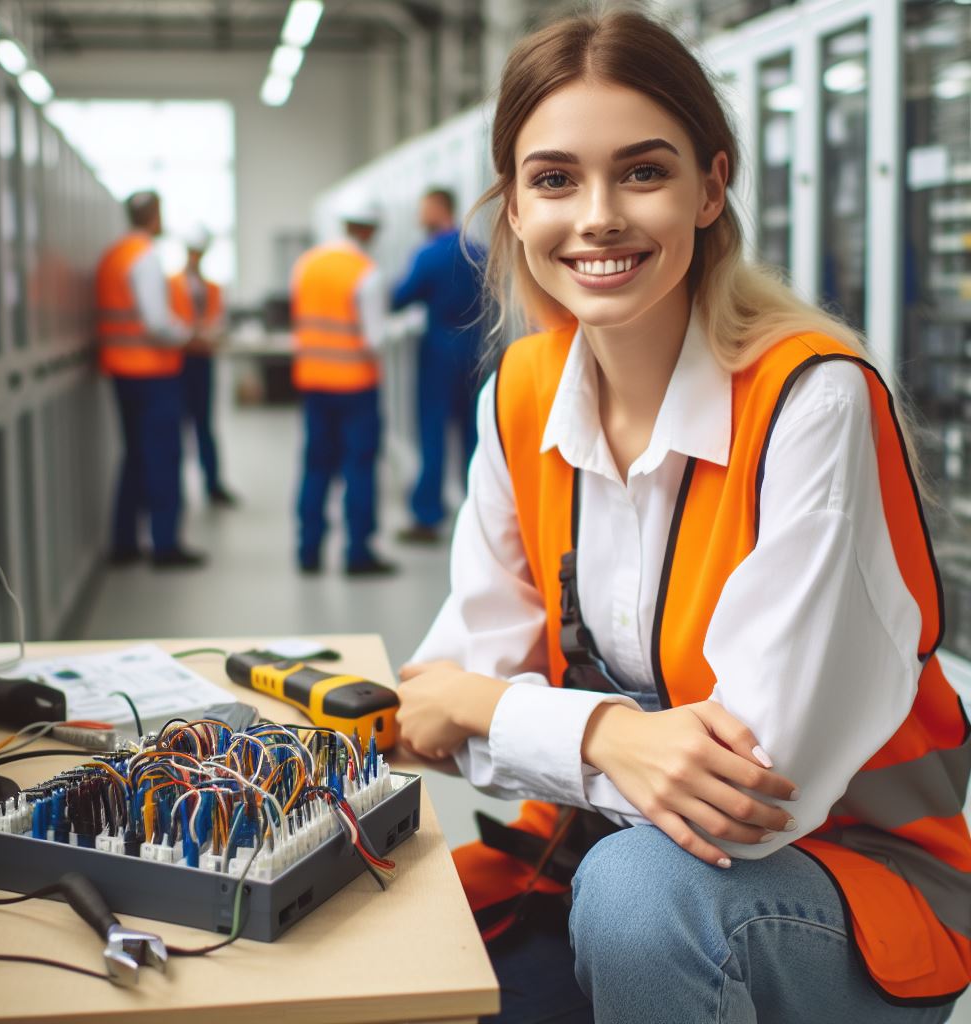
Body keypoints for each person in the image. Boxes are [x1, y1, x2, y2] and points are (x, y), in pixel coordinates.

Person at [395, 10, 968, 1024]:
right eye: (556, 178)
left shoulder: (809, 400)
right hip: (582, 858)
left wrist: (512, 716)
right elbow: (438, 707)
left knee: (639, 897)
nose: (599, 216)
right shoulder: (518, 396)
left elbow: (749, 802)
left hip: (834, 890)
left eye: (642, 173)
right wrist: (605, 737)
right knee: (405, 945)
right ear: (515, 210)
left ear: (710, 187)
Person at [96, 190, 211, 569]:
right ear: (154, 216)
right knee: (163, 458)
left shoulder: (114, 254)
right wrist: (189, 336)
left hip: (121, 371)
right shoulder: (143, 258)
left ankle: (124, 543)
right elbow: (157, 322)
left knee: (133, 456)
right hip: (153, 374)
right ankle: (165, 547)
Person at [290, 200, 396, 576]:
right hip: (355, 386)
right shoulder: (366, 274)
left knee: (316, 465)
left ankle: (308, 551)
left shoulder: (308, 264)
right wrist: (403, 326)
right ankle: (358, 554)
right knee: (359, 467)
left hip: (314, 382)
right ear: (367, 230)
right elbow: (374, 340)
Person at [392, 188, 486, 543]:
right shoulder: (478, 250)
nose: (419, 218)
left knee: (433, 433)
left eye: (423, 209)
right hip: (476, 351)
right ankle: (479, 512)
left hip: (438, 354)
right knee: (473, 436)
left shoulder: (429, 253)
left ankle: (427, 515)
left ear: (438, 208)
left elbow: (400, 297)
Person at [169, 226, 237, 506]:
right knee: (176, 427)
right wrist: (191, 334)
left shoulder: (213, 288)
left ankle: (213, 485)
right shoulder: (170, 284)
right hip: (177, 362)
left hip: (203, 360)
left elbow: (219, 320)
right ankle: (176, 489)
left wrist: (207, 333)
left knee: (204, 425)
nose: (196, 256)